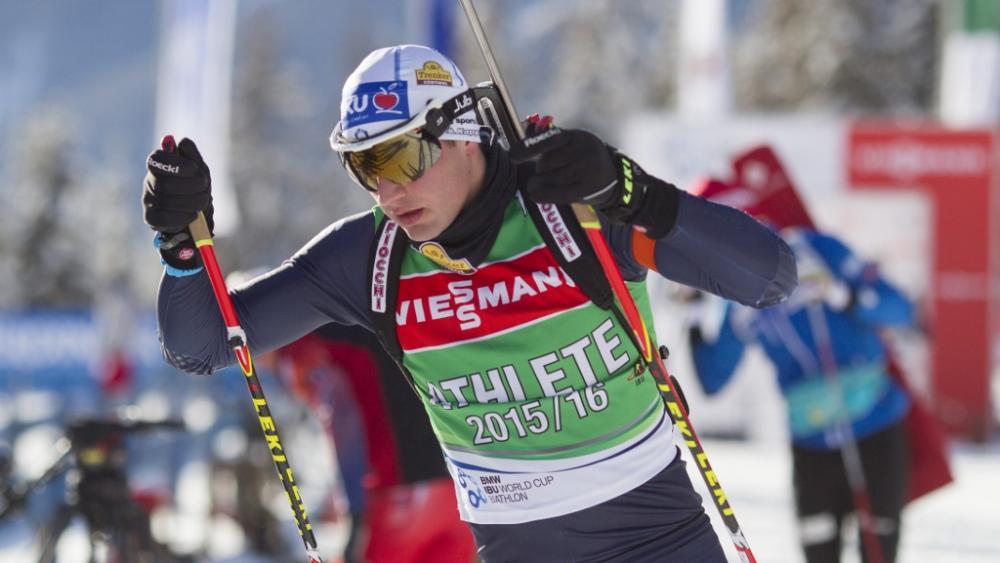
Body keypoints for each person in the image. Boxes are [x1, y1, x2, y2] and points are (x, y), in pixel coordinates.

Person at [141, 44, 796, 562]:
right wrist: (181, 244)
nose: (388, 191)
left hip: (658, 543)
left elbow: (769, 277)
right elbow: (203, 346)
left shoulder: (570, 209)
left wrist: (637, 195)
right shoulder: (367, 257)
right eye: (364, 168)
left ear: (460, 132)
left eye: (398, 157)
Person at [688, 222, 915, 563]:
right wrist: (693, 313)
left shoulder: (818, 250)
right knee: (819, 549)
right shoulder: (737, 292)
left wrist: (841, 294)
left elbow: (899, 308)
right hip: (812, 443)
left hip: (873, 425)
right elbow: (713, 380)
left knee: (880, 547)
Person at [269, 323, 475, 563]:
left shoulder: (318, 338)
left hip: (399, 493)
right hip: (460, 487)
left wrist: (355, 512)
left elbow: (344, 427)